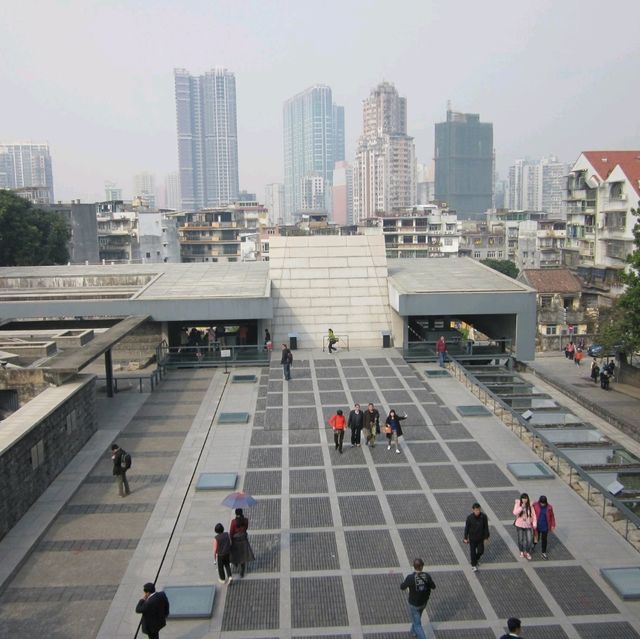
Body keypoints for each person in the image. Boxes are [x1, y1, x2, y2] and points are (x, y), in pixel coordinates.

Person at [400, 558, 436, 639]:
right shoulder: (427, 576)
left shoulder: (410, 577)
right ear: (422, 566)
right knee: (417, 617)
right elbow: (433, 586)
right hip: (423, 602)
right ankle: (413, 632)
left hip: (414, 603)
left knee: (417, 624)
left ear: (414, 566)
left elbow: (402, 587)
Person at [463, 502, 490, 572]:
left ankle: (476, 559)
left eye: (478, 510)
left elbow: (486, 527)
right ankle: (473, 565)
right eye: (476, 510)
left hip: (480, 538)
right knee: (472, 552)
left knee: (481, 551)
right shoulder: (469, 518)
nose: (477, 512)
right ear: (473, 510)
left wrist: (486, 536)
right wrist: (465, 538)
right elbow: (467, 528)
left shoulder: (483, 517)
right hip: (472, 538)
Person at [229, 508, 255, 577]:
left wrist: (230, 540)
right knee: (243, 555)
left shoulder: (233, 522)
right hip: (243, 539)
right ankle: (242, 571)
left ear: (236, 514)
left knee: (235, 553)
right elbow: (246, 528)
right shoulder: (245, 520)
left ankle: (236, 563)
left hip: (236, 539)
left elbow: (231, 532)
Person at [513, 493, 536, 560]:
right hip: (519, 525)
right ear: (521, 499)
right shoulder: (518, 504)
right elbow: (514, 512)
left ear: (527, 499)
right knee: (521, 539)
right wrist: (521, 507)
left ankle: (527, 552)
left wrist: (534, 524)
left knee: (529, 540)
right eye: (523, 498)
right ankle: (521, 551)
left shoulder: (530, 505)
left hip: (528, 525)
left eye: (526, 498)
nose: (524, 500)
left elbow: (534, 515)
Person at [532, 495, 556, 560]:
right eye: (541, 503)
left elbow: (552, 516)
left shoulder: (549, 507)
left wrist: (553, 525)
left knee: (544, 540)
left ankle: (543, 553)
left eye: (544, 503)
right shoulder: (535, 505)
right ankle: (533, 546)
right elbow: (532, 513)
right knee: (536, 537)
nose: (542, 504)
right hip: (537, 526)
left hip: (545, 526)